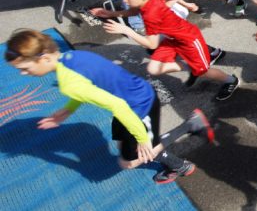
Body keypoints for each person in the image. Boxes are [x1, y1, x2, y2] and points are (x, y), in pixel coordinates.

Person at [5, 29, 215, 184]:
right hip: (133, 99)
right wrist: (67, 111)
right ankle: (171, 139)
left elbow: (117, 105)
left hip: (138, 106)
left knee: (131, 161)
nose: (24, 73)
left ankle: (184, 155)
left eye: (25, 68)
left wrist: (143, 139)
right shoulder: (71, 57)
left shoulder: (69, 83)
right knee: (127, 151)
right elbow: (88, 85)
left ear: (44, 58)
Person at [103, 0, 240, 100]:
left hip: (190, 40)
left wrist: (127, 30)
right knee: (153, 68)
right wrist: (111, 14)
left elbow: (151, 44)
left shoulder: (151, 14)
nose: (125, 1)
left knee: (204, 72)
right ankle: (192, 68)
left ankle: (231, 81)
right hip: (172, 39)